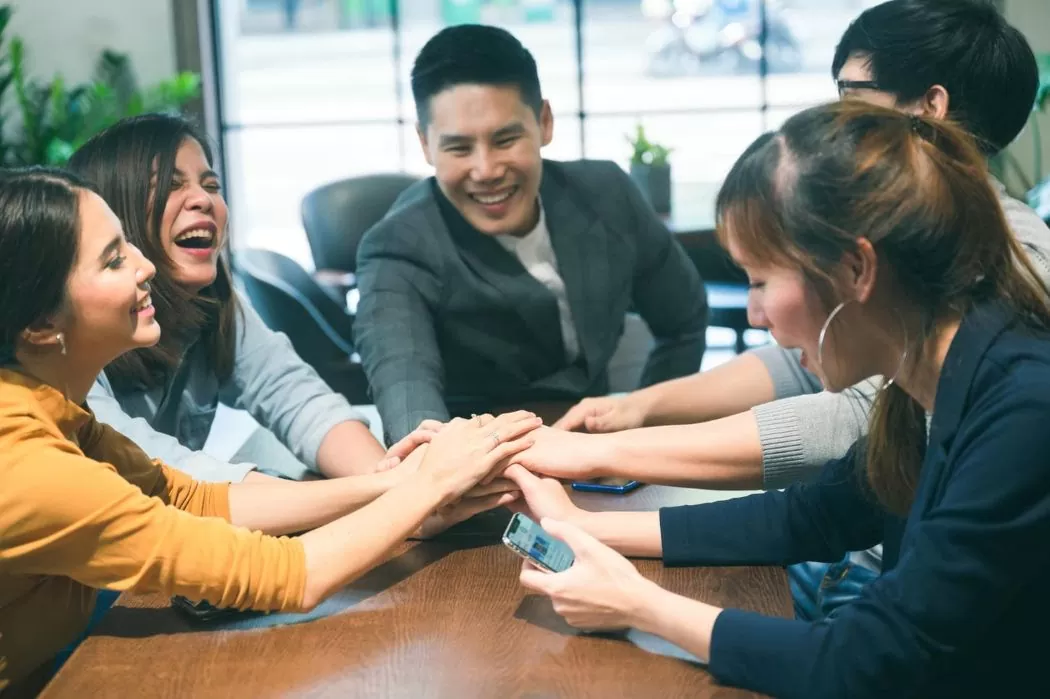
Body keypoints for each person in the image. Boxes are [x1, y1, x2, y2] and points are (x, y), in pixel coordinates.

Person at [505, 101, 1050, 698]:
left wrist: (639, 605)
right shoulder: (924, 378)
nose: (753, 314)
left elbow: (869, 659)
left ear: (856, 269)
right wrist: (583, 526)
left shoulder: (1024, 411)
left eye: (761, 281)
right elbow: (814, 515)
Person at [0, 167, 542, 693]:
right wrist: (427, 486)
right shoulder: (29, 467)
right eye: (115, 259)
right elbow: (289, 575)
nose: (144, 266)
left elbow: (190, 497)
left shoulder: (56, 411)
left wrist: (394, 482)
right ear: (42, 325)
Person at [353, 24, 708, 443]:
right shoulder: (397, 246)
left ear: (544, 122)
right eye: (459, 148)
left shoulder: (606, 194)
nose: (486, 170)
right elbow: (405, 390)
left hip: (601, 447)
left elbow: (684, 320)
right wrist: (448, 463)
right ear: (425, 144)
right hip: (481, 458)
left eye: (505, 140)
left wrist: (643, 427)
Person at [68, 114, 411, 483]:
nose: (203, 199)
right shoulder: (68, 343)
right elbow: (154, 471)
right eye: (170, 185)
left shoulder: (213, 306)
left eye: (211, 185)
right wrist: (379, 493)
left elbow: (299, 400)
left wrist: (391, 483)